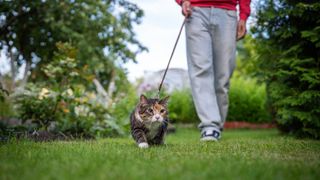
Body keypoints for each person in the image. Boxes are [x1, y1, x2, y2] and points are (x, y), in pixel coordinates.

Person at [175, 0, 251, 141]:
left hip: (227, 13)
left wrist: (244, 15)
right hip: (196, 11)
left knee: (223, 75)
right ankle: (210, 126)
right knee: (200, 69)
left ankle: (217, 126)